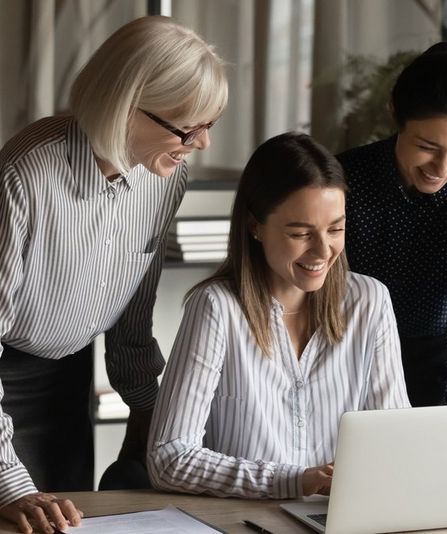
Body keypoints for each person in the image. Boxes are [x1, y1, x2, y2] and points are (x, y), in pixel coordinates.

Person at [0, 16, 227, 534]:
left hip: (67, 378)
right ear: (126, 105)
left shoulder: (165, 175)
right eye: (188, 127)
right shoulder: (28, 174)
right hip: (3, 381)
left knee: (68, 521)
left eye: (208, 125)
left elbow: (135, 306)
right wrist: (9, 482)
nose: (202, 143)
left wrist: (146, 407)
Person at [147, 132, 409, 499]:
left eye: (336, 229)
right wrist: (294, 480)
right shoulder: (217, 308)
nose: (323, 250)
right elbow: (169, 458)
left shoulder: (370, 301)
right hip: (244, 521)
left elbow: (397, 440)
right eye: (301, 233)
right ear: (256, 226)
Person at [337, 42, 447, 406]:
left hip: (440, 360)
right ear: (395, 114)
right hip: (347, 356)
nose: (442, 168)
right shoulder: (345, 177)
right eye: (428, 146)